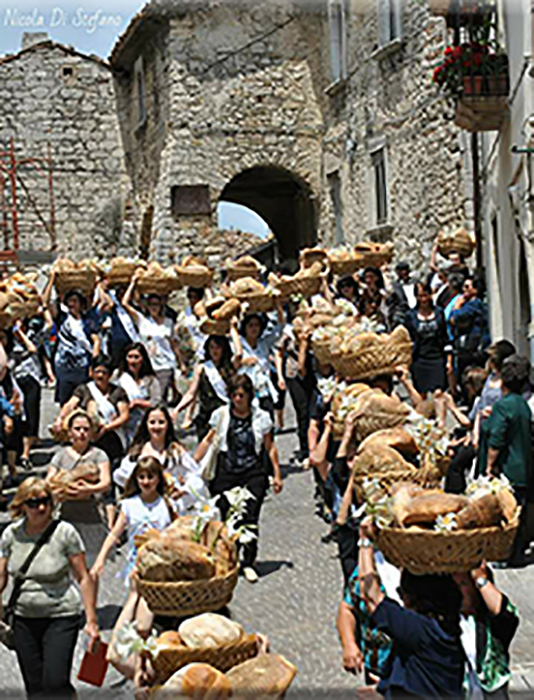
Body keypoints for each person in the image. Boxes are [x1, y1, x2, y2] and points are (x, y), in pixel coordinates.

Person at [0, 477, 100, 698]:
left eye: (45, 501)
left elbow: (84, 577)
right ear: (22, 505)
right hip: (24, 617)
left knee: (55, 682)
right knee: (35, 687)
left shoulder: (65, 532)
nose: (41, 508)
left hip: (61, 613)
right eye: (33, 503)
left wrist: (92, 622)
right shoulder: (11, 535)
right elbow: (1, 578)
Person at [356, 517, 465, 698]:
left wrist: (365, 541)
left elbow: (370, 597)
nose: (400, 597)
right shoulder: (444, 626)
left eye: (401, 592)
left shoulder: (420, 629)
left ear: (417, 598)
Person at [194, 375, 283, 583]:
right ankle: (228, 559)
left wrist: (277, 474)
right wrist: (191, 465)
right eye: (233, 395)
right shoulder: (221, 415)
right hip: (226, 471)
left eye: (241, 395)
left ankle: (249, 562)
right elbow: (208, 441)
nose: (237, 399)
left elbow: (270, 447)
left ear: (249, 396)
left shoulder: (262, 417)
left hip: (253, 472)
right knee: (225, 519)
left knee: (249, 518)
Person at [477, 355, 532, 565]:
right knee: (518, 514)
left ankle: (506, 556)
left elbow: (497, 439)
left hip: (508, 470)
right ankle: (515, 553)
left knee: (507, 515)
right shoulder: (522, 405)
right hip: (523, 468)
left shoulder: (503, 406)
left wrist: (490, 466)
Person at [91, 455, 174, 587]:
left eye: (150, 477)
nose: (146, 482)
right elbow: (114, 534)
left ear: (158, 478)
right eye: (141, 477)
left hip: (161, 565)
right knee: (135, 598)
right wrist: (101, 558)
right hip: (136, 563)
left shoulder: (167, 504)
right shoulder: (129, 505)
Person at [114, 404, 207, 515]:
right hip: (143, 505)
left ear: (168, 425)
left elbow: (195, 475)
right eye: (152, 422)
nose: (156, 427)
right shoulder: (137, 451)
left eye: (161, 422)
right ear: (146, 425)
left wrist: (183, 490)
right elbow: (120, 476)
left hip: (169, 505)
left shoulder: (175, 451)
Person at [46, 410, 111, 564]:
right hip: (66, 516)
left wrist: (88, 489)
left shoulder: (99, 455)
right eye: (77, 429)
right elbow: (48, 482)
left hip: (92, 517)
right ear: (69, 432)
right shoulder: (60, 455)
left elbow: (106, 482)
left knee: (90, 566)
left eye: (86, 429)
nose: (82, 433)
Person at [454, 562, 519, 699]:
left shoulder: (489, 625)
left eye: (463, 584)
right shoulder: (447, 622)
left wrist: (480, 579)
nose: (457, 591)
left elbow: (505, 613)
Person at [42, 271, 101, 406]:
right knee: (65, 403)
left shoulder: (88, 321)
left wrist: (94, 361)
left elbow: (95, 340)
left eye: (75, 301)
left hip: (82, 367)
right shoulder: (62, 318)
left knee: (82, 401)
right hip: (63, 367)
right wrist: (51, 280)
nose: (71, 304)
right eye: (69, 301)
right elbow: (46, 302)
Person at [172, 328, 242, 440]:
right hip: (207, 415)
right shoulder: (202, 368)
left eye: (218, 348)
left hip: (226, 414)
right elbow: (191, 393)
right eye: (212, 347)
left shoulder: (230, 366)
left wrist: (233, 329)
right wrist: (178, 408)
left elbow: (239, 354)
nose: (215, 351)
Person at [121, 272, 181, 402]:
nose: (154, 308)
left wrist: (180, 362)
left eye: (156, 305)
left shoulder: (168, 322)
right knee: (146, 395)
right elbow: (125, 303)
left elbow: (173, 343)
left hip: (164, 364)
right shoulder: (142, 320)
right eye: (151, 305)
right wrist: (133, 283)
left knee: (159, 397)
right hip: (146, 364)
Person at [11, 317, 51, 470]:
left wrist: (21, 333)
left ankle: (26, 454)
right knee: (16, 416)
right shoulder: (6, 339)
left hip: (32, 378)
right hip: (12, 380)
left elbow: (34, 347)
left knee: (31, 414)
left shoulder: (33, 335)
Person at [275, 320, 316, 466]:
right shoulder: (288, 333)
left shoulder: (315, 330)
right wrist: (280, 376)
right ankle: (305, 449)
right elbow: (279, 354)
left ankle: (314, 446)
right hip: (294, 374)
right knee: (302, 412)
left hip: (313, 372)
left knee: (314, 411)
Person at [404, 282, 451, 395]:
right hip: (419, 359)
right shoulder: (410, 316)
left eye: (425, 295)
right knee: (421, 393)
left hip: (437, 357)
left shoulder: (439, 313)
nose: (423, 299)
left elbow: (445, 337)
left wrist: (449, 360)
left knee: (439, 393)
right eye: (420, 296)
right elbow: (407, 339)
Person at [239, 305, 285, 414]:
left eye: (257, 325)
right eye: (250, 325)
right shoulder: (238, 343)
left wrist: (278, 305)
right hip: (245, 391)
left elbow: (279, 328)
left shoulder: (264, 343)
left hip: (264, 390)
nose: (254, 329)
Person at [116, 343, 162, 445]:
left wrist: (138, 403)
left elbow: (157, 401)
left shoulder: (150, 380)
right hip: (124, 423)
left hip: (144, 422)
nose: (133, 361)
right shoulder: (118, 378)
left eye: (136, 357)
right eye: (130, 357)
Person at [450, 276, 488, 386]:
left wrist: (456, 306)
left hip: (473, 347)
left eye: (467, 287)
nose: (464, 290)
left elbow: (453, 319)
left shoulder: (474, 304)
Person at [387, 261, 417, 328]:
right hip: (402, 314)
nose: (404, 272)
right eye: (401, 271)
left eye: (406, 270)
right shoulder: (394, 286)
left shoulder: (416, 283)